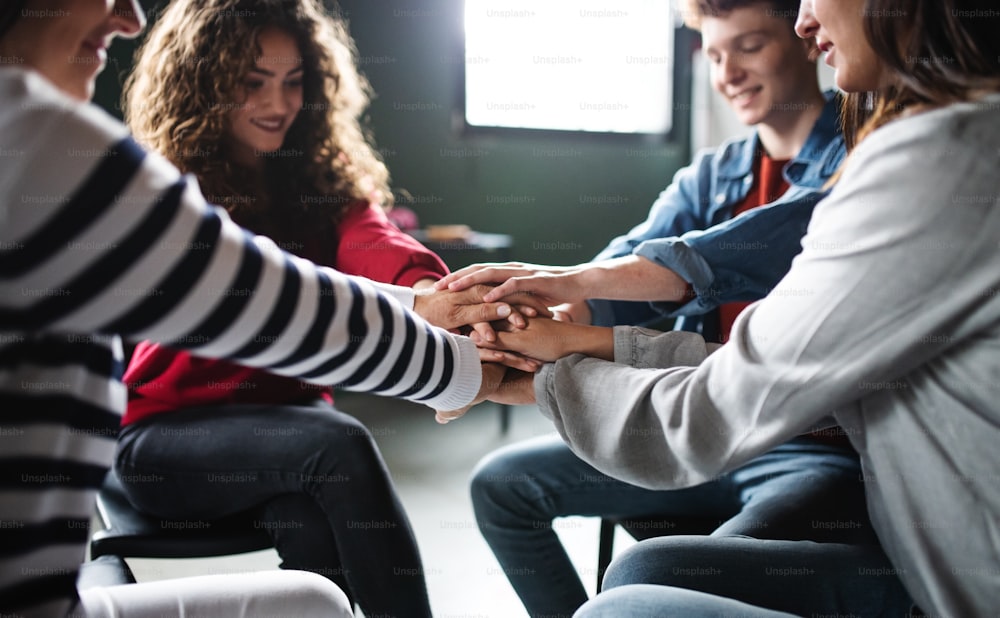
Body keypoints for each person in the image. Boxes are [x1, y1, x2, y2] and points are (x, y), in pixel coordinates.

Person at [456, 0, 1000, 615]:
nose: (805, 19)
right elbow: (659, 310)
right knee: (611, 549)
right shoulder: (716, 173)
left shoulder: (904, 158)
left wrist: (552, 357)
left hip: (806, 443)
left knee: (626, 604)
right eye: (715, 55)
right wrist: (534, 318)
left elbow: (719, 380)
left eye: (748, 46)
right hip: (755, 426)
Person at [0, 0, 528, 615]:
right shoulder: (119, 169)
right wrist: (463, 370)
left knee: (314, 550)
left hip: (283, 439)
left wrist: (451, 302)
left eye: (293, 81)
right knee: (339, 444)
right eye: (252, 84)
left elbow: (379, 247)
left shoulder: (319, 179)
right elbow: (268, 302)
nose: (130, 19)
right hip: (165, 438)